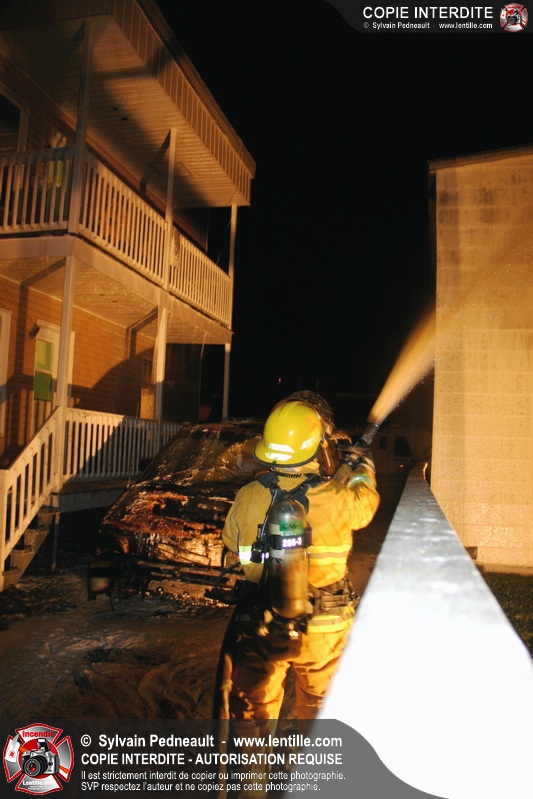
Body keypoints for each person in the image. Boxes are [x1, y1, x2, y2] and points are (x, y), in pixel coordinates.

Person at [215, 392, 380, 731]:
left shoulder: (248, 495)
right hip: (325, 626)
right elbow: (366, 503)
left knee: (254, 712)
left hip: (261, 622)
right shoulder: (336, 497)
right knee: (322, 708)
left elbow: (231, 541)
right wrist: (363, 465)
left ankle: (253, 764)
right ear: (318, 446)